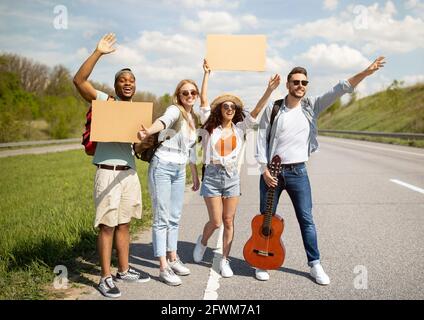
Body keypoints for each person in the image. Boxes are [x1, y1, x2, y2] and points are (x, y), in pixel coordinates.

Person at [255, 56, 386, 284]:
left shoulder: (311, 106)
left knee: (306, 219)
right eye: (296, 82)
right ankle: (262, 261)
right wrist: (263, 168)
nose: (300, 86)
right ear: (288, 84)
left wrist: (366, 72)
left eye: (304, 82)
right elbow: (259, 138)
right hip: (272, 173)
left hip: (298, 173)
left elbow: (340, 89)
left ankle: (315, 264)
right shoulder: (274, 108)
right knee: (266, 219)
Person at [73, 33, 150, 298]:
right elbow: (79, 81)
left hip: (128, 174)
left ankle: (124, 270)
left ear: (135, 86)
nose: (127, 84)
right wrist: (98, 52)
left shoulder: (137, 113)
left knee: (125, 224)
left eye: (131, 81)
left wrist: (145, 142)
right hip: (107, 172)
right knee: (107, 225)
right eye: (122, 80)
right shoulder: (106, 102)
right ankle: (105, 276)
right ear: (115, 85)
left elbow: (138, 151)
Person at [192, 59, 281, 277]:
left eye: (233, 106)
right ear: (220, 110)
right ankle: (203, 241)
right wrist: (206, 75)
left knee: (229, 220)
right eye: (226, 106)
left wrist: (269, 90)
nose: (230, 108)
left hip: (232, 177)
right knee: (215, 221)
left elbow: (257, 110)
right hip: (212, 176)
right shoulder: (209, 126)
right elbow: (203, 101)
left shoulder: (241, 128)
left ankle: (224, 260)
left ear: (236, 110)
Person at [137, 79, 201, 286]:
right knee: (161, 217)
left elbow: (190, 150)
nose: (189, 96)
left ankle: (173, 258)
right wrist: (149, 130)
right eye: (185, 93)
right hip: (162, 167)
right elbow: (164, 121)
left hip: (179, 170)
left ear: (197, 95)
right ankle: (163, 267)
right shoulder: (175, 110)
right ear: (179, 96)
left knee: (175, 216)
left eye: (193, 92)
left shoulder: (193, 118)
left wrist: (195, 174)